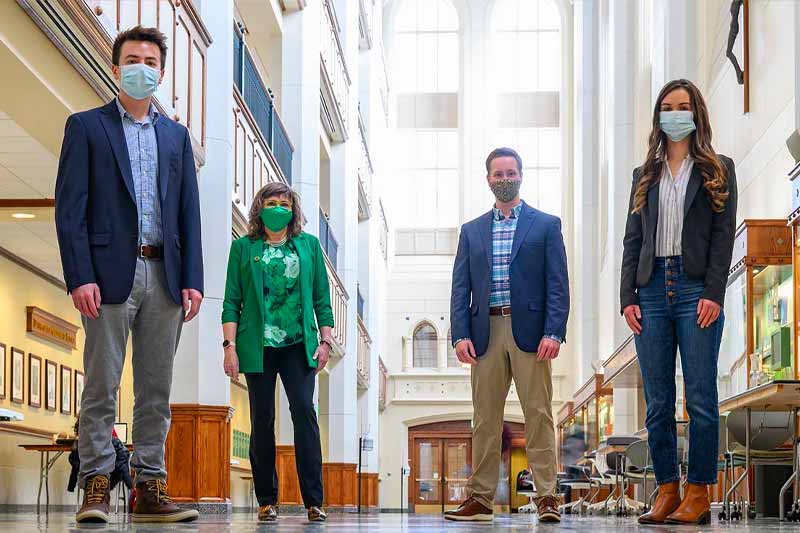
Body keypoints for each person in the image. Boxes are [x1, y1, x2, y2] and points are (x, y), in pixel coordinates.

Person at [54, 26, 203, 524]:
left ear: (160, 73)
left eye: (152, 62)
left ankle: (149, 489)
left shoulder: (176, 137)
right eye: (133, 59)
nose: (143, 68)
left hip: (164, 276)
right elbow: (69, 209)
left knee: (156, 391)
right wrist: (79, 275)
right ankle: (96, 483)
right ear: (116, 68)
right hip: (107, 275)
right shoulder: (87, 127)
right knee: (101, 384)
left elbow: (188, 214)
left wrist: (193, 278)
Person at [621, 79, 737, 525]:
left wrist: (713, 292)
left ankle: (698, 491)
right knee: (657, 400)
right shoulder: (644, 174)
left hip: (694, 289)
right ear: (659, 117)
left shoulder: (717, 168)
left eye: (683, 106)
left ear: (696, 113)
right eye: (667, 107)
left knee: (701, 397)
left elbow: (723, 237)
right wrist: (626, 296)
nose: (675, 113)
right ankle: (667, 489)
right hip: (650, 290)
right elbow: (633, 239)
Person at [446, 147, 569, 523]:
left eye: (511, 172)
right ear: (488, 179)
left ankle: (547, 496)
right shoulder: (471, 231)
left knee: (538, 415)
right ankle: (480, 498)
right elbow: (460, 285)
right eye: (497, 173)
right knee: (484, 418)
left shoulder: (546, 225)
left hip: (531, 333)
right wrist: (459, 334)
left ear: (521, 176)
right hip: (485, 332)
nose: (504, 179)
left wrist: (555, 331)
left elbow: (558, 283)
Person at [221, 182, 334, 523]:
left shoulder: (309, 246)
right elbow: (231, 302)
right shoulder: (244, 248)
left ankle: (314, 501)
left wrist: (325, 341)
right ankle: (266, 500)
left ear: (293, 210)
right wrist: (230, 347)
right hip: (258, 345)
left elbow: (321, 300)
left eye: (284, 203)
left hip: (299, 345)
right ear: (260, 207)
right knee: (262, 419)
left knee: (304, 415)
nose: (278, 208)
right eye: (271, 202)